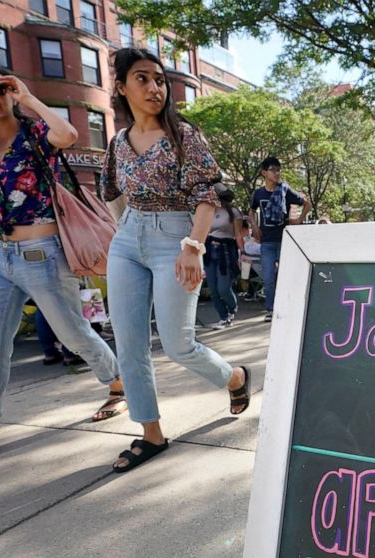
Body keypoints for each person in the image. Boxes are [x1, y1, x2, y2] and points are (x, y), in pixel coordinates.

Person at [0, 60, 124, 472]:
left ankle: (119, 384)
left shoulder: (34, 133)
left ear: (10, 90)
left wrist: (29, 98)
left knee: (73, 333)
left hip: (43, 253)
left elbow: (68, 135)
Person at [101, 48, 249, 473]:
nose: (154, 87)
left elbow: (207, 195)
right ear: (121, 87)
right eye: (142, 78)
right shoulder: (118, 143)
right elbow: (110, 191)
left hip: (177, 239)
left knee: (178, 343)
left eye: (160, 79)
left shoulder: (184, 135)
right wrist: (125, 230)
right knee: (129, 344)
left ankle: (235, 378)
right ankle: (150, 433)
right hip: (128, 240)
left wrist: (192, 246)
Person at [248, 156, 311, 322]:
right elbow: (251, 211)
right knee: (268, 278)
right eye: (273, 170)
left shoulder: (285, 190)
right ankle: (271, 310)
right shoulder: (259, 193)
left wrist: (299, 220)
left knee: (287, 276)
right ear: (264, 173)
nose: (276, 173)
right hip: (267, 242)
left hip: (284, 241)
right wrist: (254, 226)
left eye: (278, 170)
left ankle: (289, 307)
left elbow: (307, 204)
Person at [205, 188, 244, 328]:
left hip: (226, 250)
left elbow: (238, 234)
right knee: (213, 289)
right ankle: (223, 316)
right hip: (209, 250)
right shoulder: (208, 211)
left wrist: (243, 253)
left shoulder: (233, 212)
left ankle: (232, 308)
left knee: (223, 288)